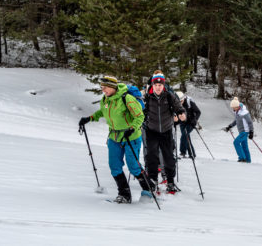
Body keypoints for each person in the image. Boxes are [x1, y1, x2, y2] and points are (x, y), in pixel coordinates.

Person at [79, 75, 154, 203]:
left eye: (105, 87)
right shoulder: (105, 100)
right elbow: (103, 112)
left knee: (133, 166)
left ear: (113, 87)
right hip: (114, 137)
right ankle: (124, 194)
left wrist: (132, 128)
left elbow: (139, 116)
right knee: (114, 166)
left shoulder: (127, 98)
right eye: (102, 87)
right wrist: (89, 118)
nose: (103, 90)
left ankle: (149, 188)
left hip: (131, 137)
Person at [144, 70, 186, 194]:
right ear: (152, 85)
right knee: (152, 156)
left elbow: (178, 106)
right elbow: (141, 110)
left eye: (160, 85)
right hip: (151, 130)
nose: (158, 87)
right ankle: (153, 181)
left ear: (163, 85)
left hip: (166, 130)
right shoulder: (147, 96)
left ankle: (171, 182)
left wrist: (181, 113)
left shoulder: (169, 95)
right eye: (156, 85)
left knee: (168, 157)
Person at [224, 97, 254, 163]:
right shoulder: (237, 112)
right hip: (241, 132)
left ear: (237, 106)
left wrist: (251, 132)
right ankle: (248, 161)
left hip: (245, 132)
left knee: (236, 142)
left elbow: (250, 122)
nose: (233, 109)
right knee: (244, 147)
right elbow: (236, 121)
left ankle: (242, 158)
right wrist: (230, 126)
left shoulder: (244, 113)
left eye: (234, 107)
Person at [175, 91, 201, 158]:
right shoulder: (176, 104)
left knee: (184, 135)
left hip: (191, 123)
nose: (180, 103)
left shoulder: (190, 102)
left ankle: (182, 152)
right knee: (187, 138)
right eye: (179, 101)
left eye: (181, 101)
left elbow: (198, 112)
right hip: (182, 123)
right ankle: (192, 154)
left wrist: (194, 120)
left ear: (183, 98)